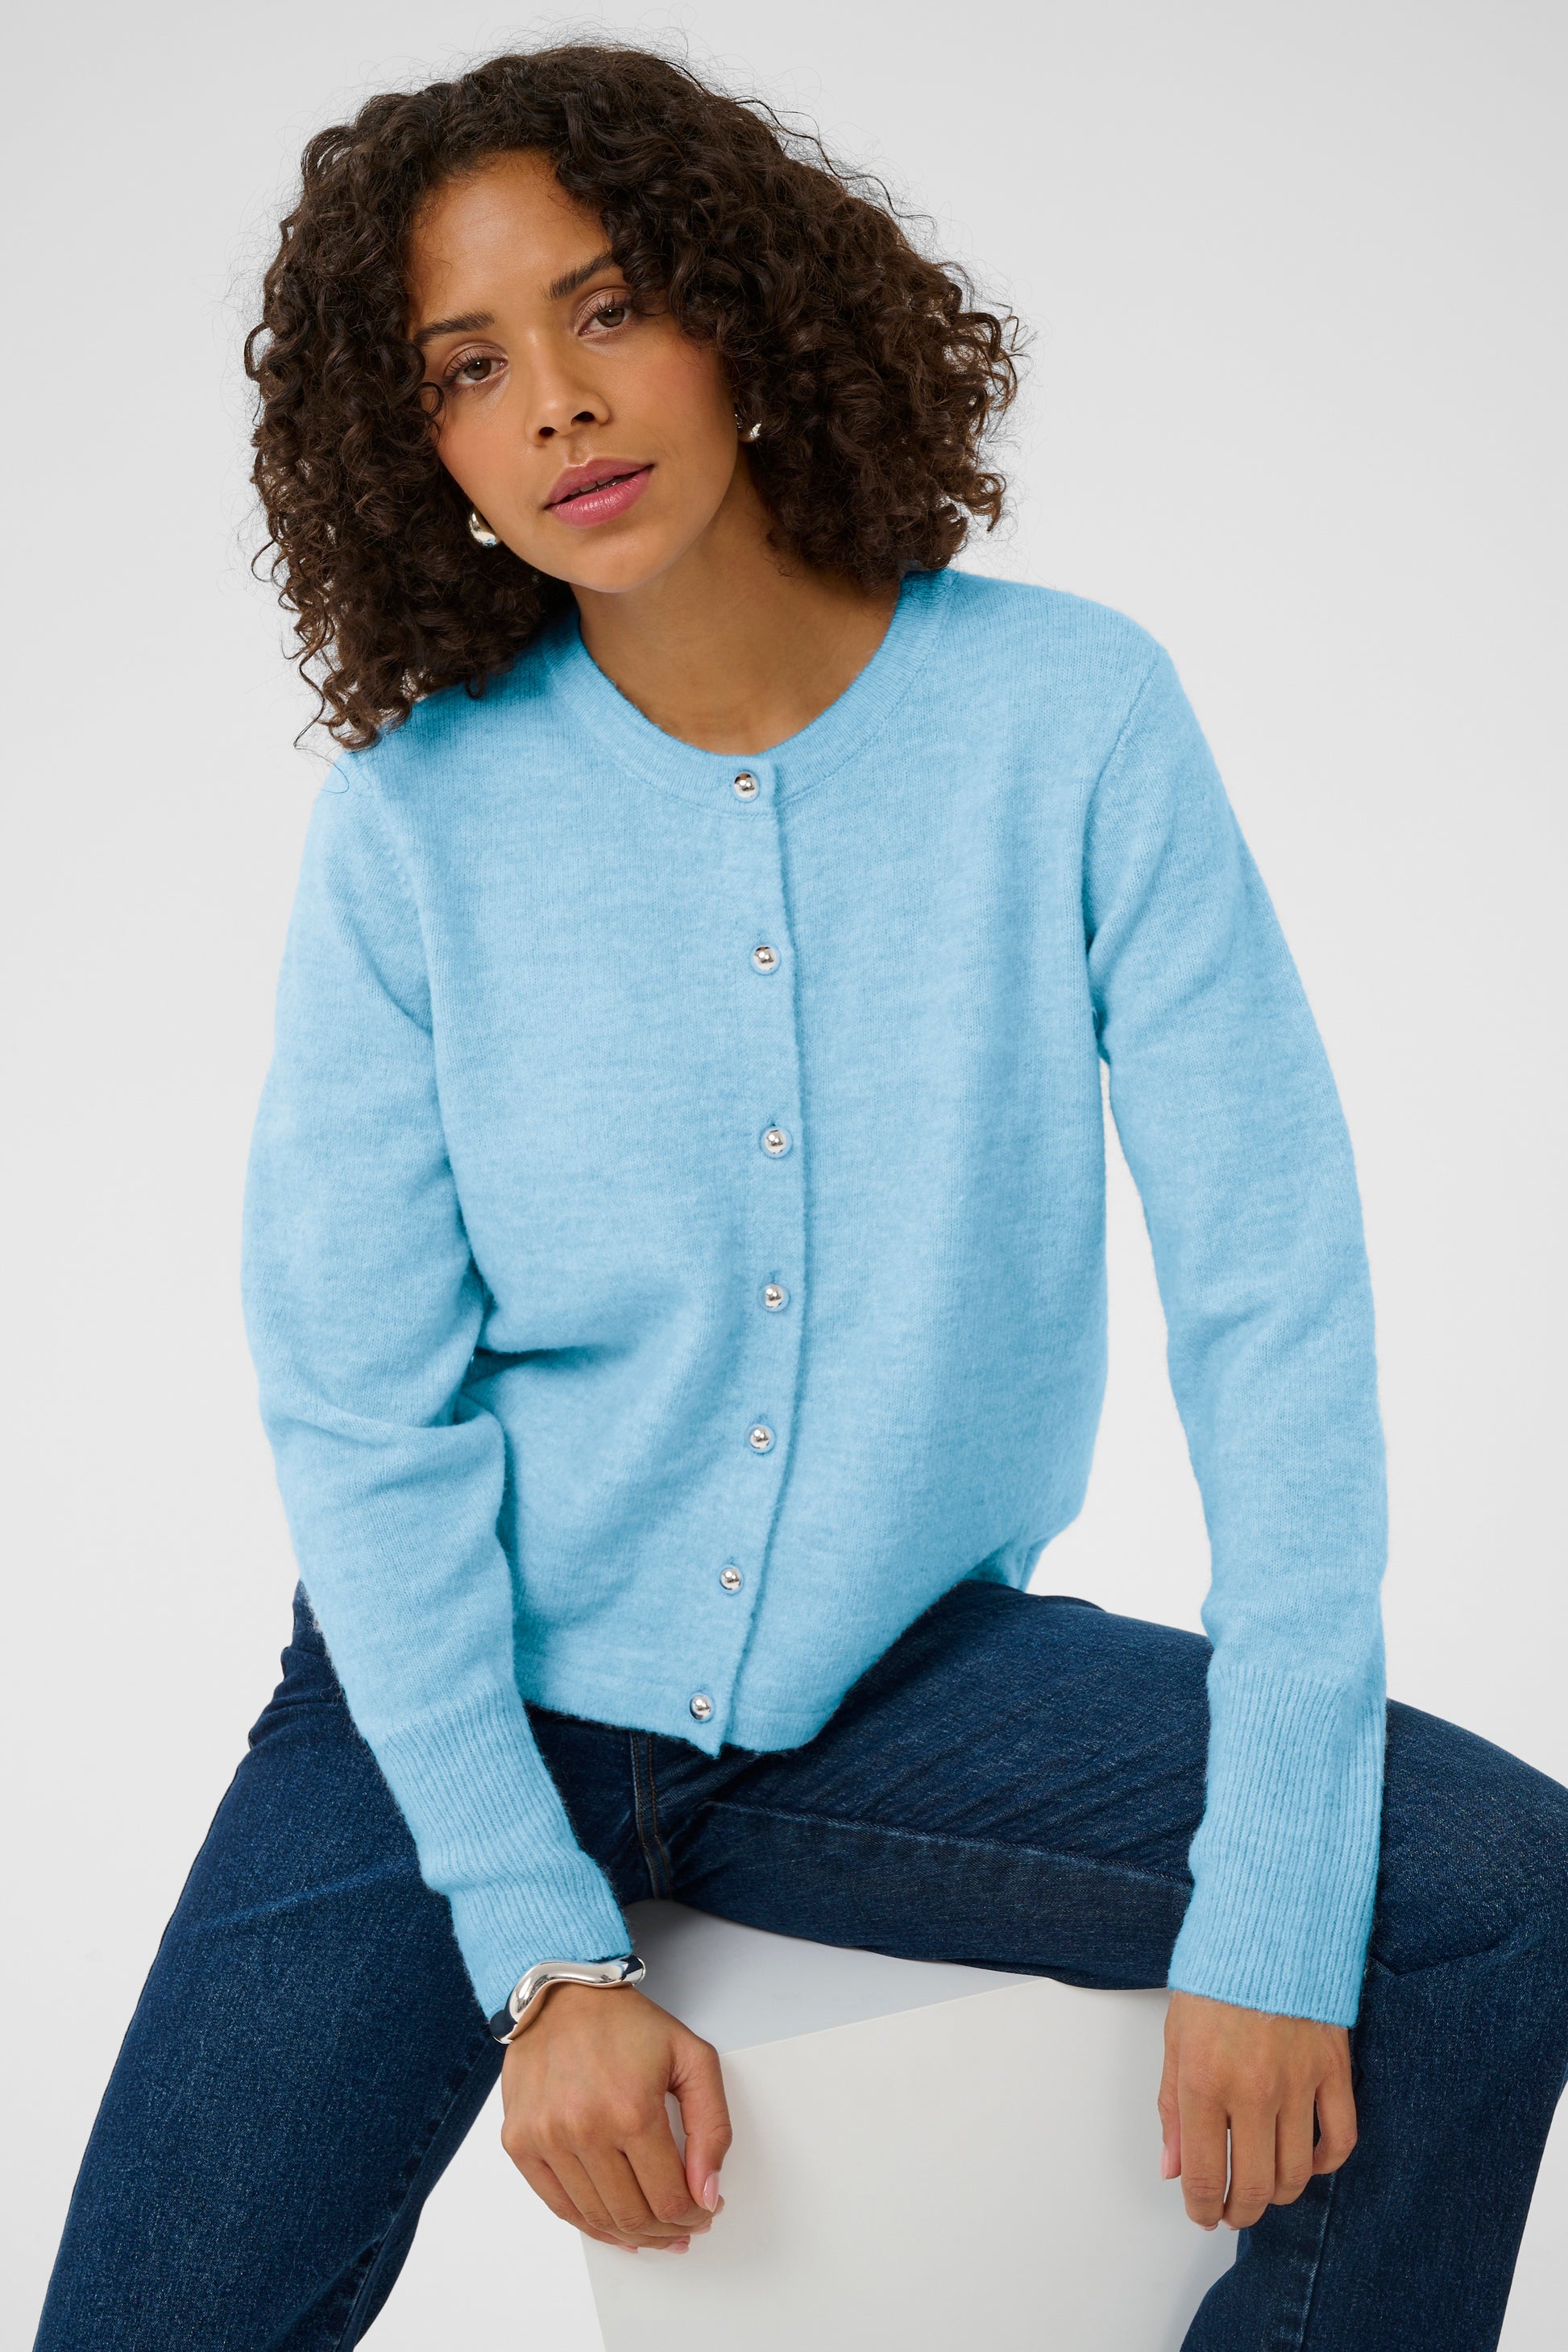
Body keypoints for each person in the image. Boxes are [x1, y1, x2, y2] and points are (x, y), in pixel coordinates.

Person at [33, 43, 1568, 2352]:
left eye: (609, 305)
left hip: (894, 1684)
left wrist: (1270, 1900)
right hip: (459, 1694)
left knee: (1488, 1885)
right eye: (468, 366)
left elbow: (1272, 1297)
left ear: (747, 307)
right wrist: (538, 1950)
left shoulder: (1067, 718)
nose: (558, 403)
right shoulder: (415, 826)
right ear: (417, 446)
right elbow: (361, 1406)